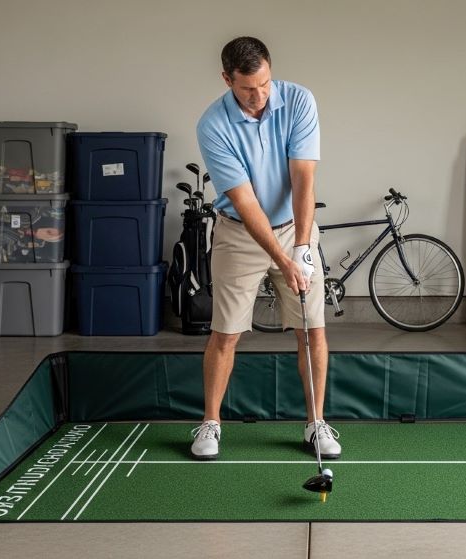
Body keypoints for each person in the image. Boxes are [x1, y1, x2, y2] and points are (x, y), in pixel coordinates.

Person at [190, 36, 340, 461]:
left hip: (296, 227)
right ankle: (210, 423)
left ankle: (315, 423)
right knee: (226, 334)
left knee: (312, 329)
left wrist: (303, 249)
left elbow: (303, 180)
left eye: (264, 85)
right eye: (246, 89)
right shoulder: (212, 125)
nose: (258, 97)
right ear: (226, 79)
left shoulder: (298, 101)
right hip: (240, 234)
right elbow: (244, 200)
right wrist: (280, 258)